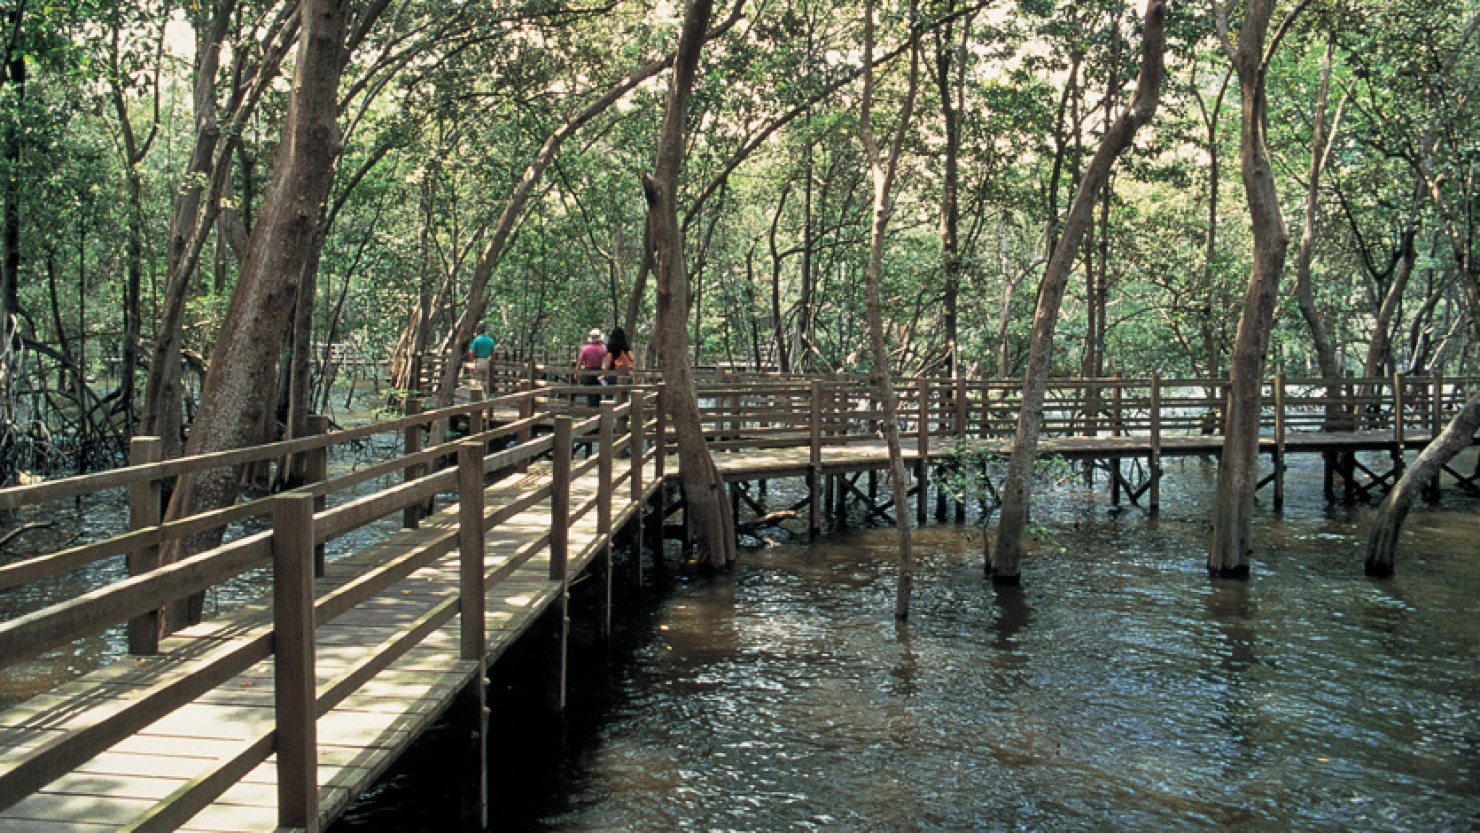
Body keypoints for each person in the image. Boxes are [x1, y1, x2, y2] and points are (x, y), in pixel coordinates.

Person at [576, 327, 606, 407]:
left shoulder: (585, 348)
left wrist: (576, 373)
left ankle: (591, 412)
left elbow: (580, 362)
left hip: (587, 373)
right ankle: (598, 410)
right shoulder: (602, 349)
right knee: (597, 393)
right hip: (598, 373)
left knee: (590, 393)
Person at [467, 322, 496, 389]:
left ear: (478, 330)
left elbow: (472, 352)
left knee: (477, 381)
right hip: (487, 362)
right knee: (487, 381)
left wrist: (471, 363)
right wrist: (492, 364)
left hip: (478, 361)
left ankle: (478, 397)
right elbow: (493, 354)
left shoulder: (476, 340)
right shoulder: (490, 340)